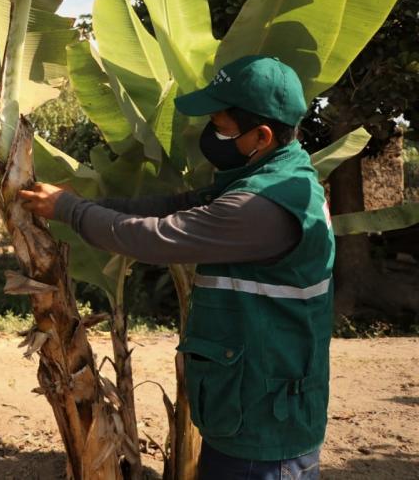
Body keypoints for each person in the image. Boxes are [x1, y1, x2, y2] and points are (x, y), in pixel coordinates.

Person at [18, 55, 335, 480]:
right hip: (246, 406)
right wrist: (90, 205)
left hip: (265, 431)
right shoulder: (265, 179)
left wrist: (70, 210)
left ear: (261, 135)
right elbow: (174, 206)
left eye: (222, 127)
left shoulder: (265, 205)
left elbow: (156, 236)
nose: (214, 135)